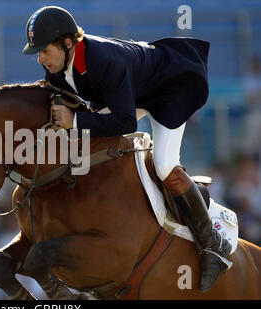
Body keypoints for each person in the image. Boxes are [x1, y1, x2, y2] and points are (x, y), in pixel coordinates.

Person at [22, 6, 231, 292]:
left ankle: (211, 245)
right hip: (133, 92)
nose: (41, 59)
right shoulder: (58, 68)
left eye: (45, 50)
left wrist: (74, 121)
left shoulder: (103, 59)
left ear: (68, 42)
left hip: (169, 89)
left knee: (164, 165)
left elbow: (123, 121)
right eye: (38, 52)